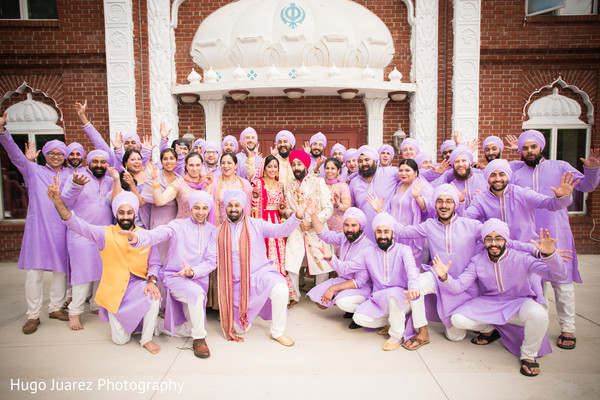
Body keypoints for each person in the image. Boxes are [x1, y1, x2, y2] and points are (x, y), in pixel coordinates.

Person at [429, 219, 566, 377]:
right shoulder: (478, 261)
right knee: (457, 319)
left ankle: (528, 355)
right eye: (489, 239)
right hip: (490, 303)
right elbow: (459, 286)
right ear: (484, 241)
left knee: (539, 314)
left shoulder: (523, 258)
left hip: (519, 302)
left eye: (498, 238)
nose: (493, 243)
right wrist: (445, 277)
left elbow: (558, 275)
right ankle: (490, 329)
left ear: (506, 240)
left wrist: (550, 256)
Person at [508, 129, 600, 350]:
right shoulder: (516, 170)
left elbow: (587, 186)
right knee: (537, 285)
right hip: (530, 236)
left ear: (541, 147)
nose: (529, 151)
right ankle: (540, 329)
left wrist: (592, 169)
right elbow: (491, 174)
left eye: (533, 147)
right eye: (525, 148)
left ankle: (568, 327)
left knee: (562, 283)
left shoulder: (560, 167)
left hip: (557, 233)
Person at [189, 189, 314, 346]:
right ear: (225, 208)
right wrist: (193, 272)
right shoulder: (218, 232)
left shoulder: (256, 224)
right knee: (238, 330)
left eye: (237, 205)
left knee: (281, 288)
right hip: (236, 285)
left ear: (243, 206)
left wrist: (297, 216)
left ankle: (277, 332)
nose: (233, 209)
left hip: (260, 275)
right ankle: (249, 311)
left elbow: (280, 230)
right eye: (230, 205)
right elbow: (210, 262)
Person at [48, 183, 162, 354]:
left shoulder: (145, 235)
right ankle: (127, 321)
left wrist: (152, 281)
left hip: (137, 286)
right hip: (114, 291)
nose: (125, 216)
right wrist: (58, 201)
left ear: (135, 213)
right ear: (116, 213)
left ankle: (146, 339)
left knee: (154, 298)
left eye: (129, 212)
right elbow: (76, 224)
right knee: (120, 341)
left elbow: (154, 263)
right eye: (121, 212)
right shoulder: (104, 233)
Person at [120, 191, 217, 358]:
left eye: (204, 208)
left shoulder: (212, 230)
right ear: (190, 208)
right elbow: (158, 233)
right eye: (197, 208)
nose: (200, 212)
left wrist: (193, 271)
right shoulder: (177, 225)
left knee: (189, 326)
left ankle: (158, 326)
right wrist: (137, 237)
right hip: (175, 278)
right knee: (197, 296)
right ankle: (200, 339)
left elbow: (211, 261)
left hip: (197, 279)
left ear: (209, 210)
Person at [0, 112, 70, 334]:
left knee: (61, 271)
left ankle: (56, 307)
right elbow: (15, 156)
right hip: (38, 230)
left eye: (60, 153)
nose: (56, 156)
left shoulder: (71, 174)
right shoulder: (33, 171)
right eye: (52, 153)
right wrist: (3, 131)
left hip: (61, 229)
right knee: (34, 273)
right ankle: (33, 315)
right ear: (45, 155)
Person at [351, 213, 422, 351]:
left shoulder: (404, 250)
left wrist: (413, 287)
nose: (383, 236)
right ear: (375, 233)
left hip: (402, 299)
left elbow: (411, 270)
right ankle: (393, 321)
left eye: (386, 232)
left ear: (393, 234)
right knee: (359, 318)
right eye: (379, 232)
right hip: (380, 299)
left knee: (394, 295)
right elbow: (347, 267)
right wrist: (330, 259)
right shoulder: (369, 252)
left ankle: (396, 335)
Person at [61, 150, 114, 330]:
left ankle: (95, 304)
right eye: (95, 162)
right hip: (81, 234)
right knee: (82, 275)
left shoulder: (110, 180)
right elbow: (65, 201)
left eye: (103, 162)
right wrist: (75, 186)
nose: (99, 165)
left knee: (102, 272)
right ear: (89, 162)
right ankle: (74, 312)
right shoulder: (78, 177)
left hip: (103, 233)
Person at [464, 159, 576, 242]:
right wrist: (458, 203)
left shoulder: (522, 193)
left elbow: (551, 204)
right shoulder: (481, 199)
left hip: (525, 251)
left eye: (501, 174)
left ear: (508, 176)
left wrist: (563, 197)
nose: (498, 179)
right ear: (487, 178)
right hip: (496, 251)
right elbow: (466, 219)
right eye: (493, 175)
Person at [307, 207, 372, 328]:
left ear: (361, 226)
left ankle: (362, 314)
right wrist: (313, 215)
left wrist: (333, 289)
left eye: (354, 225)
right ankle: (350, 307)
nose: (349, 229)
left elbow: (359, 282)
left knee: (341, 302)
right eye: (346, 225)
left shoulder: (367, 247)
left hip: (364, 287)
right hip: (345, 280)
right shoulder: (345, 238)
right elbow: (324, 235)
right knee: (318, 295)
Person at [284, 150, 334, 297]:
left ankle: (320, 295)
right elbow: (287, 208)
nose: (296, 167)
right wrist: (294, 217)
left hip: (316, 229)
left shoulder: (318, 182)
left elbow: (328, 208)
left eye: (299, 164)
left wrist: (312, 223)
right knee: (292, 262)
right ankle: (295, 296)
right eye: (293, 164)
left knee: (321, 263)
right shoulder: (289, 185)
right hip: (296, 228)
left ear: (306, 165)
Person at [250, 155, 298, 306]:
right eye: (269, 166)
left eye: (275, 167)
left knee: (279, 256)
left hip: (277, 223)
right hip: (261, 222)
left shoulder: (281, 185)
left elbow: (281, 208)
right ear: (263, 169)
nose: (272, 169)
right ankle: (263, 296)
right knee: (264, 256)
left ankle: (283, 294)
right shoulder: (257, 183)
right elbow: (252, 204)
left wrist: (283, 209)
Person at [75, 100, 152, 171]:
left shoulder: (143, 160)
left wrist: (147, 152)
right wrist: (82, 116)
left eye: (133, 142)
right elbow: (98, 141)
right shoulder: (114, 158)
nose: (130, 145)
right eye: (127, 143)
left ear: (139, 145)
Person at [348, 145, 399, 240]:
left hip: (387, 232)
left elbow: (411, 173)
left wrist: (434, 172)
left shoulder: (390, 173)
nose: (364, 163)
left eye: (367, 160)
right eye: (360, 161)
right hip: (364, 235)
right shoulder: (354, 183)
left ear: (375, 161)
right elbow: (352, 209)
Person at [140, 147, 181, 262]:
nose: (169, 162)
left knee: (173, 254)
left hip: (175, 220)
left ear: (177, 161)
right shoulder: (152, 178)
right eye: (165, 159)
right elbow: (144, 200)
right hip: (158, 220)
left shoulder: (180, 180)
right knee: (159, 255)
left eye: (172, 158)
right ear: (161, 161)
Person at [388, 159, 434, 264]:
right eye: (401, 170)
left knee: (410, 266)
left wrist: (417, 197)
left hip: (411, 235)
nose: (403, 173)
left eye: (407, 170)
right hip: (395, 234)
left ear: (416, 172)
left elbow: (429, 211)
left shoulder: (421, 186)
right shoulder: (399, 185)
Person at [147, 151, 207, 220]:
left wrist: (208, 185)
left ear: (202, 165)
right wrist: (155, 180)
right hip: (183, 226)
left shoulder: (207, 181)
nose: (194, 169)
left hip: (203, 227)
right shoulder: (180, 183)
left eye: (198, 165)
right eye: (191, 165)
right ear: (186, 165)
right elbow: (160, 201)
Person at [323, 157, 351, 255]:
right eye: (327, 168)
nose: (329, 171)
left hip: (338, 226)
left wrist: (337, 204)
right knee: (324, 255)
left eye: (332, 168)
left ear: (338, 170)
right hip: (322, 225)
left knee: (338, 256)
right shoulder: (320, 184)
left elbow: (347, 206)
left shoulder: (342, 186)